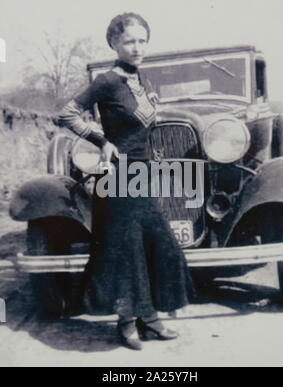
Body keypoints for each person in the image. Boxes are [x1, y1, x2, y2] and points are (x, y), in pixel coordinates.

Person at [58, 12, 196, 350]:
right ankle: (126, 322)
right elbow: (67, 113)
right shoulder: (107, 81)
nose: (136, 47)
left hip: (144, 174)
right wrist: (102, 141)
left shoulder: (144, 80)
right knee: (124, 251)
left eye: (141, 40)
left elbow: (144, 128)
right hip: (117, 176)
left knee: (158, 243)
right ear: (115, 44)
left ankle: (149, 317)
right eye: (129, 41)